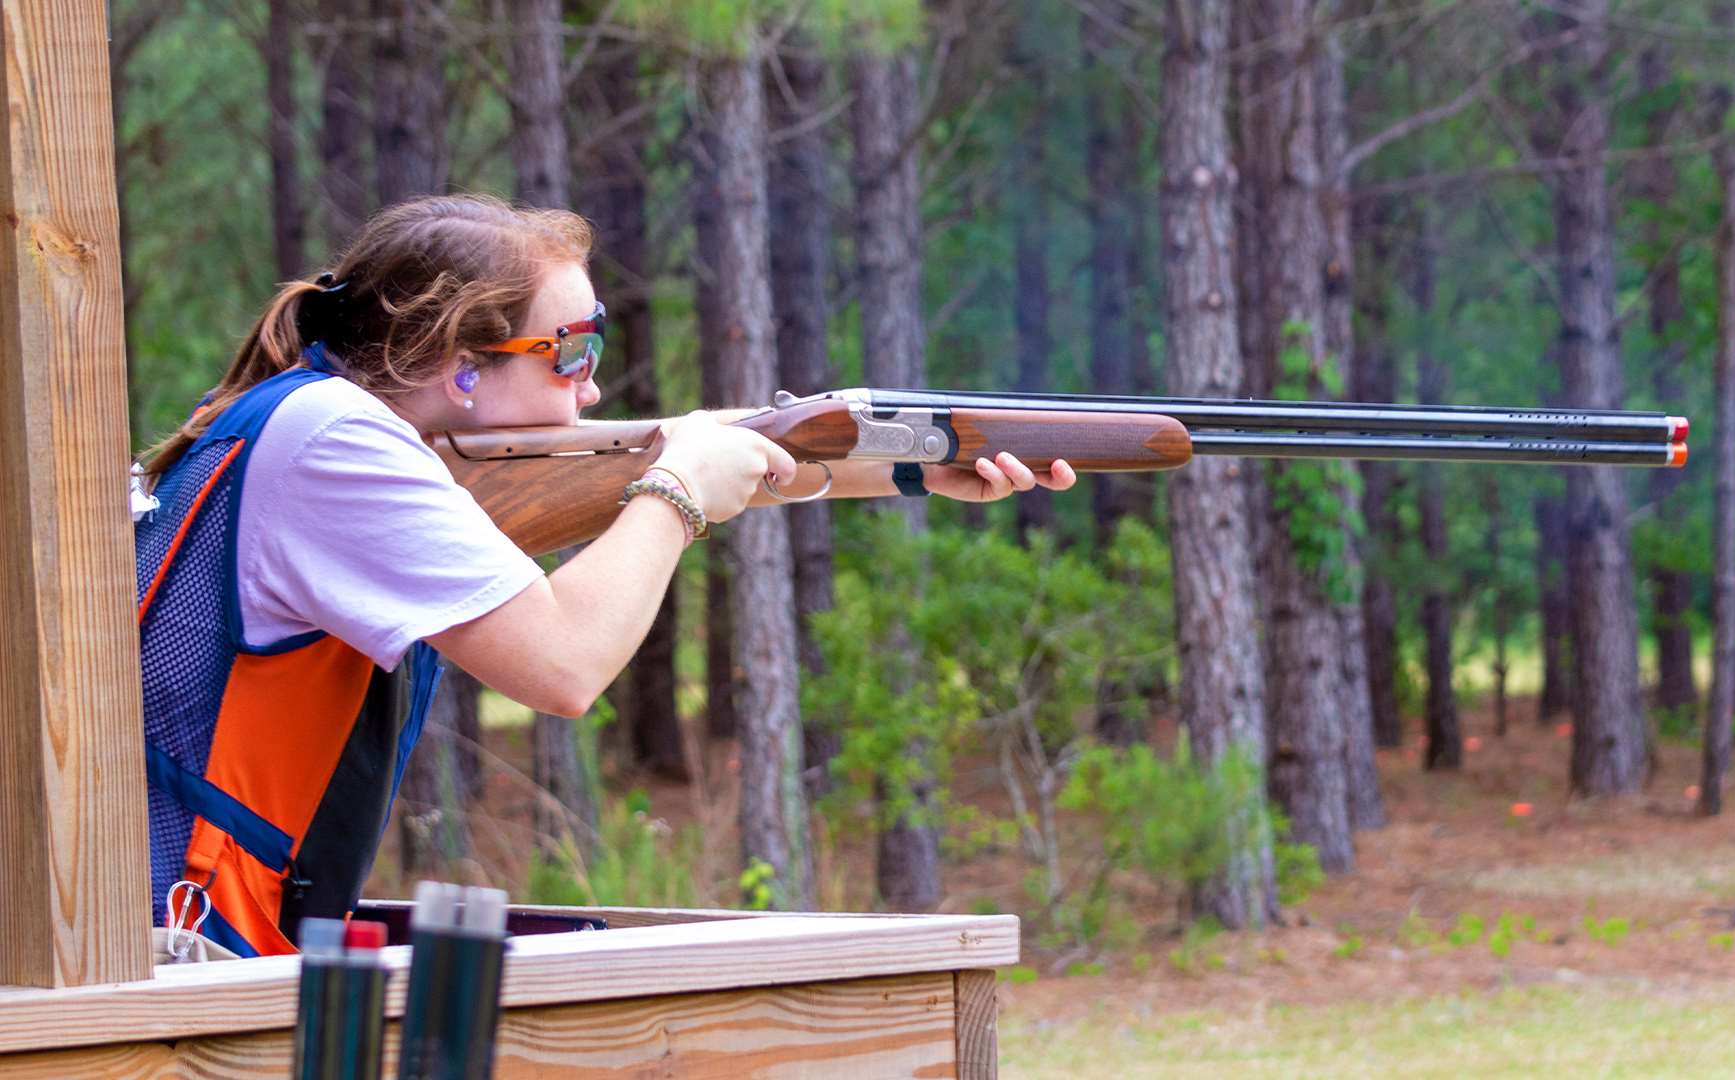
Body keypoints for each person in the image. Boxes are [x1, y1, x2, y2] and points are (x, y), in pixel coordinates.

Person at [134, 194, 1076, 956]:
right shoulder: (338, 441)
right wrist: (675, 491)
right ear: (457, 363)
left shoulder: (300, 419)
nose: (590, 389)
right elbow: (563, 665)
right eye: (570, 353)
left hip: (204, 937)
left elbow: (724, 454)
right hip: (186, 948)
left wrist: (914, 464)